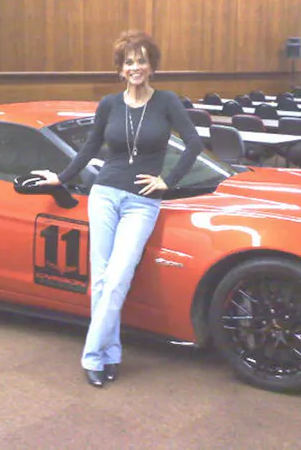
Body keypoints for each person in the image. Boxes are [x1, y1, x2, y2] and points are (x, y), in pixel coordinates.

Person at [31, 30, 204, 388]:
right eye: (129, 62)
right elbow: (90, 146)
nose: (135, 67)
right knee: (100, 280)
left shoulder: (167, 101)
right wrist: (61, 177)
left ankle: (91, 355)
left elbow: (194, 143)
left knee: (117, 279)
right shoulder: (109, 104)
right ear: (120, 69)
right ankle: (108, 354)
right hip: (105, 194)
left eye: (142, 60)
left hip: (142, 202)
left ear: (152, 66)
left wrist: (168, 181)